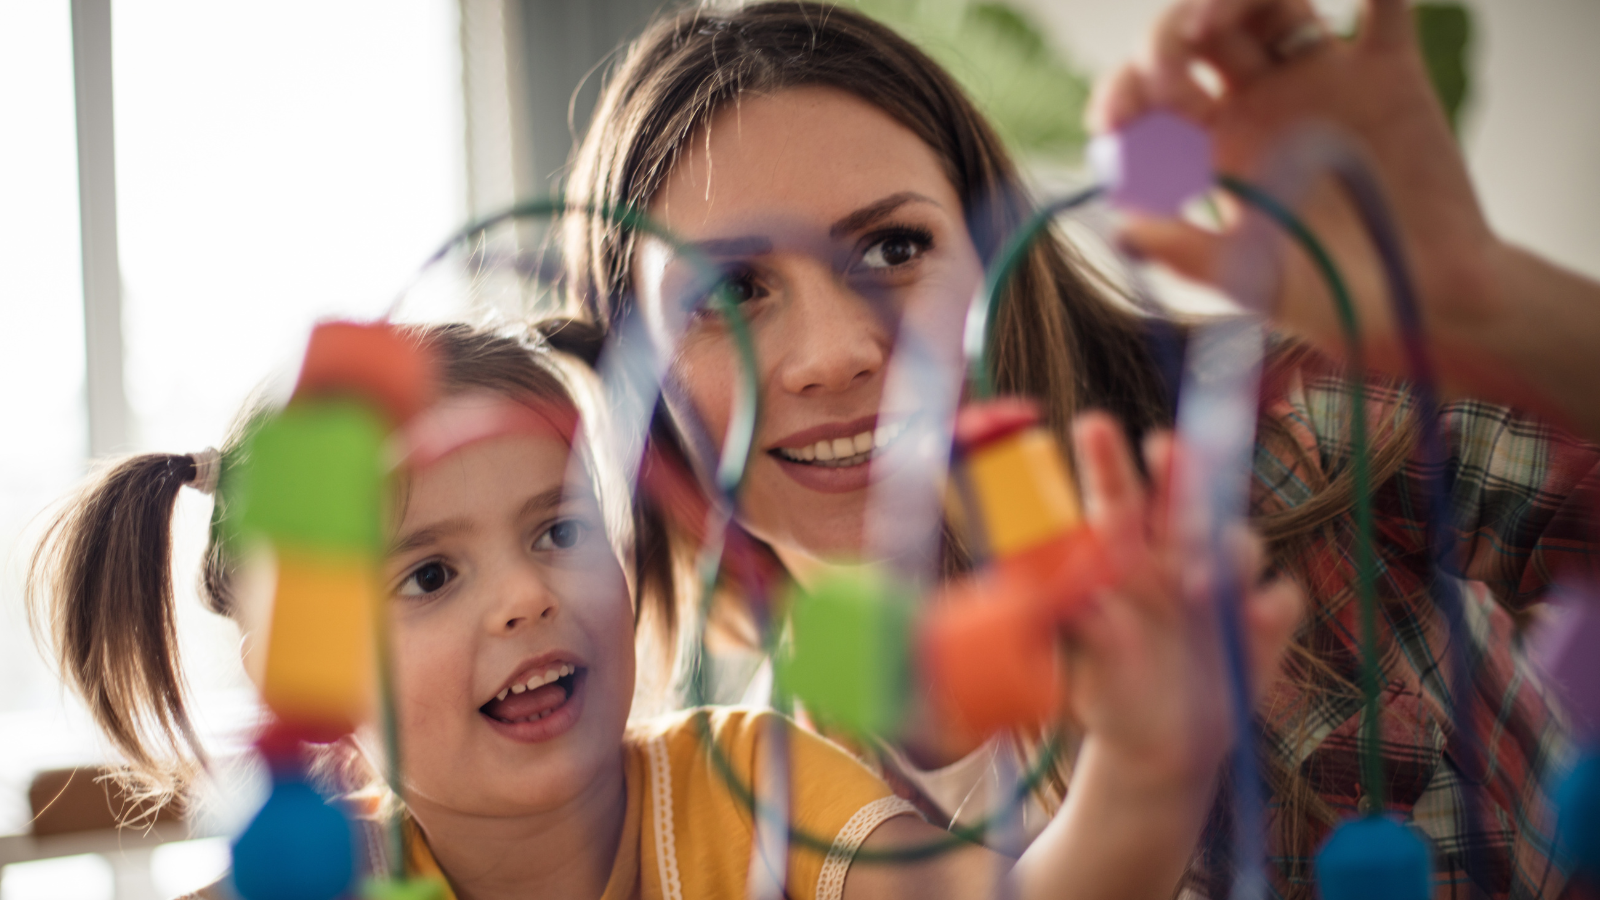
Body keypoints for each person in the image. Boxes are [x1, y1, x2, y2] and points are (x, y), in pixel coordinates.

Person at [559, 2, 1600, 898]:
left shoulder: (1286, 437)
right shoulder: (738, 804)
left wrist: (1486, 298)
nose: (830, 357)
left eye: (893, 248)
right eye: (729, 294)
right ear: (628, 374)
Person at [27, 322, 1297, 900]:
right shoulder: (315, 879)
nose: (529, 594)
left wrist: (1140, 770)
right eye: (428, 574)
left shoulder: (756, 787)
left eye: (559, 529)